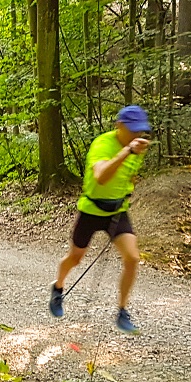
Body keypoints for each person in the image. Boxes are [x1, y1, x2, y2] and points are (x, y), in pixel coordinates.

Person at [49, 105, 152, 334]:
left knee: (133, 258)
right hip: (91, 209)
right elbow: (101, 176)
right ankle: (58, 288)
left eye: (140, 131)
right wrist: (127, 152)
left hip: (117, 212)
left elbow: (129, 176)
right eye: (133, 130)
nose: (137, 135)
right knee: (75, 258)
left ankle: (122, 311)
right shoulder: (102, 144)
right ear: (119, 126)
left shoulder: (137, 148)